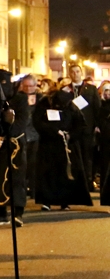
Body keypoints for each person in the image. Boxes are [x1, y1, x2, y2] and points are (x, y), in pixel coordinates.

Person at [33, 79, 92, 210]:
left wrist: (70, 135)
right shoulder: (44, 104)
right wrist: (54, 131)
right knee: (48, 174)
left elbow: (81, 124)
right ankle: (46, 201)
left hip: (67, 146)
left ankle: (65, 201)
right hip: (48, 145)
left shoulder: (70, 106)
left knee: (65, 174)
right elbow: (38, 122)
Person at [0, 74, 36, 226]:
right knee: (0, 178)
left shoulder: (20, 100)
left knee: (17, 179)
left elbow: (21, 122)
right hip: (0, 144)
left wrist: (8, 131)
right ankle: (2, 213)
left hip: (16, 144)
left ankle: (18, 213)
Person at [61, 65, 101, 190]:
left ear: (81, 73)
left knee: (87, 155)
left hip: (87, 127)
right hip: (71, 128)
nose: (75, 74)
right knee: (73, 156)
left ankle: (88, 181)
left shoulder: (91, 89)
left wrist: (97, 125)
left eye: (77, 71)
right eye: (72, 72)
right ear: (69, 74)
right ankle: (75, 183)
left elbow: (97, 108)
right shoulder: (65, 90)